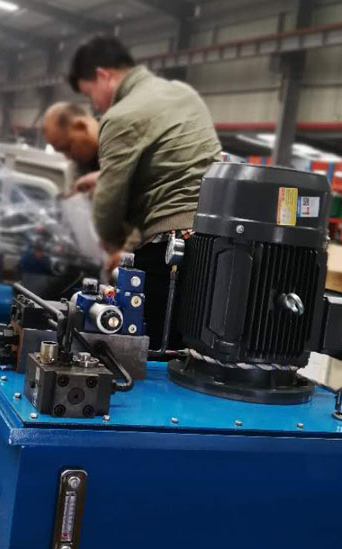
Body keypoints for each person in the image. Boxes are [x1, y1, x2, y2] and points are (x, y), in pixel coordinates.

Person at [67, 35, 221, 349]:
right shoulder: (184, 93)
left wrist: (110, 247)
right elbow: (173, 163)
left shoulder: (120, 116)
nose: (95, 105)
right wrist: (104, 177)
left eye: (90, 94)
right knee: (196, 353)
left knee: (148, 357)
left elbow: (109, 207)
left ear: (103, 75)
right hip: (216, 246)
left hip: (168, 255)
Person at [42, 102, 100, 176]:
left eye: (68, 148)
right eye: (62, 151)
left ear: (81, 126)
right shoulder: (76, 171)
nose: (68, 157)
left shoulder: (115, 136)